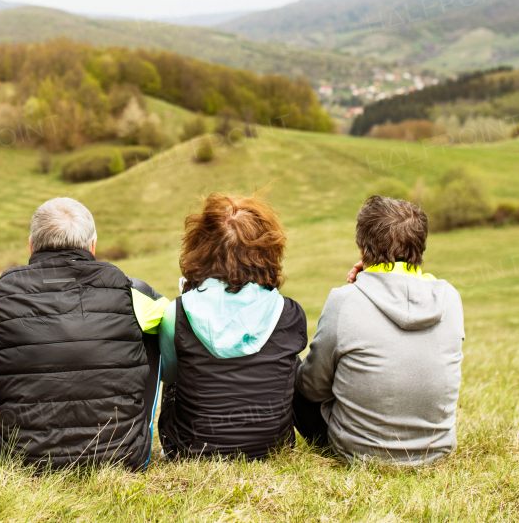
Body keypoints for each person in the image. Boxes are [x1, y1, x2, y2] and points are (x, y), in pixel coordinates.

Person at [0, 197, 169, 469]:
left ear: (31, 245)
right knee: (156, 328)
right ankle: (129, 434)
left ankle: (11, 441)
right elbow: (174, 320)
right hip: (124, 458)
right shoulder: (134, 291)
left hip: (19, 462)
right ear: (93, 245)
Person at [294, 195, 465, 466]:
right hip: (436, 452)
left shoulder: (346, 300)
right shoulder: (450, 298)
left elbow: (311, 387)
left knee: (292, 366)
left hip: (359, 454)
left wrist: (360, 286)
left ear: (363, 248)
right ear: (420, 246)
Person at [156, 193, 307, 460]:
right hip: (272, 447)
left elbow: (169, 376)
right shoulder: (291, 313)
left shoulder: (176, 312)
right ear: (269, 250)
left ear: (199, 246)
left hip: (192, 450)